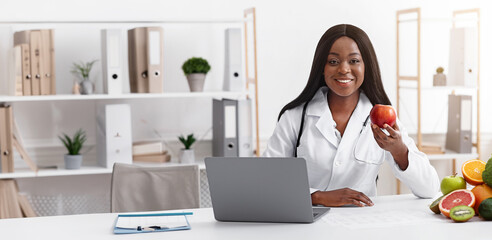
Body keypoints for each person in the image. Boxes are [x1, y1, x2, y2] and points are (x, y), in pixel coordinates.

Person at [263, 24, 439, 207]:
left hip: (360, 226)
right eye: (333, 61)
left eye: (354, 61)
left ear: (366, 67)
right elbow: (266, 181)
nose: (344, 69)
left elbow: (429, 189)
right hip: (307, 225)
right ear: (322, 68)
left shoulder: (384, 119)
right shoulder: (295, 117)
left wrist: (399, 151)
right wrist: (317, 197)